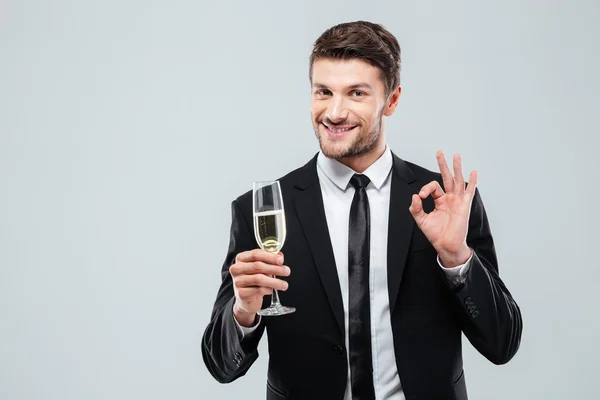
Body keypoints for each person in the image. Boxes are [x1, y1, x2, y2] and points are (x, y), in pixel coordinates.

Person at [201, 20, 522, 400]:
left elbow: (502, 344)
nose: (334, 113)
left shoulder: (445, 201)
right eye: (323, 91)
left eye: (356, 93)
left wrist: (457, 259)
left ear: (392, 100)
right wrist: (243, 312)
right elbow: (221, 366)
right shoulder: (263, 210)